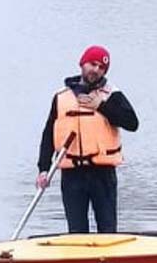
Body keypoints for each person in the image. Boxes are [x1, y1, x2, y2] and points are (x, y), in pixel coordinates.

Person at [36, 45, 139, 235]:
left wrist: (102, 106)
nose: (96, 70)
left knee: (107, 231)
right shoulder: (61, 97)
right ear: (83, 63)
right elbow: (49, 134)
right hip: (73, 175)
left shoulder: (111, 95)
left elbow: (132, 123)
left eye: (101, 67)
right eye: (93, 64)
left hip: (102, 174)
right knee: (76, 232)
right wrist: (43, 169)